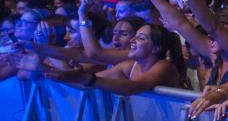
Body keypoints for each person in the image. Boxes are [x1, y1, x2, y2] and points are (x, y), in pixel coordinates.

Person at [45, 23, 184, 95]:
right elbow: (86, 84)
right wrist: (48, 71)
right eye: (134, 35)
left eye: (141, 38)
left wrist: (87, 79)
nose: (133, 40)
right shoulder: (130, 65)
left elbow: (134, 87)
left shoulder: (164, 67)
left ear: (155, 48)